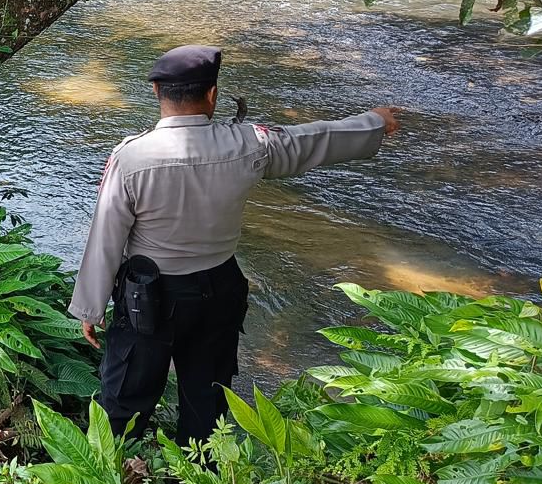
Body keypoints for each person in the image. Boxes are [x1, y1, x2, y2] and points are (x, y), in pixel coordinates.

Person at [67, 44, 400, 446]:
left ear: (155, 91)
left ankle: (112, 471)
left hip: (148, 298)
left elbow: (107, 234)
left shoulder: (131, 158)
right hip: (219, 289)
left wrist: (90, 306)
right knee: (207, 404)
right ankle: (202, 477)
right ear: (213, 94)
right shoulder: (249, 144)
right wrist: (374, 122)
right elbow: (313, 140)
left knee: (125, 399)